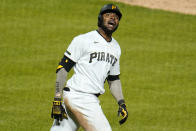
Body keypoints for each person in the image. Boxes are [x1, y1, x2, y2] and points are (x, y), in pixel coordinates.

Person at [50, 3, 128, 131]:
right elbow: (63, 68)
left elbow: (113, 79)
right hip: (81, 97)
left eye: (116, 17)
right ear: (100, 19)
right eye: (108, 15)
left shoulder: (116, 48)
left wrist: (121, 102)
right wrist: (57, 98)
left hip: (78, 98)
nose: (112, 18)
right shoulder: (84, 40)